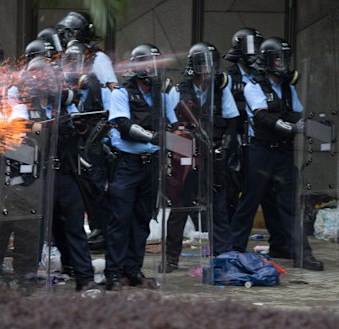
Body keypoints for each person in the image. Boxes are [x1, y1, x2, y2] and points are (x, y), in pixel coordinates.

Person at [228, 37, 324, 271]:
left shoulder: (288, 88)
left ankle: (302, 254)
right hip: (260, 152)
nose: (283, 63)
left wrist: (317, 126)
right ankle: (234, 253)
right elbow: (262, 116)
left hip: (283, 153)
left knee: (291, 204)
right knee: (249, 203)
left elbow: (298, 114)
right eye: (279, 58)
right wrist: (292, 127)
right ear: (269, 60)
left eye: (285, 58)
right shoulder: (253, 86)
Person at [160, 42, 239, 273]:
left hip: (213, 152)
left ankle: (223, 255)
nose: (207, 70)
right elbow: (171, 126)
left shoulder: (221, 87)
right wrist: (185, 154)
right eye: (203, 65)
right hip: (186, 152)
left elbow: (231, 119)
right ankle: (171, 258)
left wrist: (224, 146)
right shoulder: (178, 90)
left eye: (211, 65)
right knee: (180, 206)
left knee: (218, 205)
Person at [104, 43, 172, 291]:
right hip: (126, 165)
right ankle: (113, 274)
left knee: (142, 221)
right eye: (150, 65)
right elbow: (122, 123)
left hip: (150, 166)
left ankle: (133, 270)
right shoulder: (121, 93)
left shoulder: (161, 95)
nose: (154, 70)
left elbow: (173, 123)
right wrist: (151, 137)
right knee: (119, 220)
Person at [223, 27, 291, 259]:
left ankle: (280, 242)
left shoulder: (265, 77)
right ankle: (233, 245)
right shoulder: (230, 78)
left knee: (269, 195)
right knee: (240, 194)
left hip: (262, 140)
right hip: (238, 139)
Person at [56, 11, 117, 251]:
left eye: (68, 32)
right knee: (81, 182)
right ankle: (95, 227)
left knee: (95, 180)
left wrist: (109, 129)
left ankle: (103, 229)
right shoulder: (68, 57)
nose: (64, 36)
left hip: (95, 126)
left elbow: (112, 89)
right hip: (75, 126)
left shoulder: (97, 58)